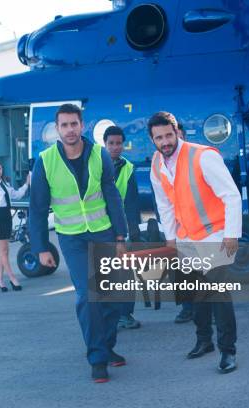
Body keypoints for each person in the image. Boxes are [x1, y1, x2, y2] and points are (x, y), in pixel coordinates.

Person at [29, 104, 129, 383]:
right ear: (57, 129)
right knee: (87, 296)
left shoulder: (100, 154)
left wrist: (120, 236)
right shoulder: (45, 161)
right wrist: (40, 247)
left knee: (110, 295)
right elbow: (37, 208)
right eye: (64, 125)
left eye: (74, 124)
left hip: (103, 232)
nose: (70, 130)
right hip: (71, 237)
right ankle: (97, 358)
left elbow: (112, 195)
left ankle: (107, 347)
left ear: (81, 125)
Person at [148, 111, 241, 374]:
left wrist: (231, 234)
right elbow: (164, 205)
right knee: (195, 296)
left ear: (177, 132)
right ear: (152, 140)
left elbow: (231, 196)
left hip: (215, 235)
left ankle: (228, 351)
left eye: (169, 135)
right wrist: (171, 240)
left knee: (219, 296)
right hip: (186, 238)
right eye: (159, 138)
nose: (165, 141)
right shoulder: (157, 164)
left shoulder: (203, 156)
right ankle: (204, 341)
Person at [103, 125, 142, 330]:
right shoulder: (96, 165)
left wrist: (133, 228)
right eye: (111, 143)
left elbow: (133, 201)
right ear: (105, 144)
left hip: (123, 228)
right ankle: (109, 316)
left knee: (126, 273)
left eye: (119, 143)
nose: (115, 147)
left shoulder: (128, 168)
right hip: (101, 226)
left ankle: (125, 314)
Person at [0, 161, 30, 292]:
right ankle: (12, 278)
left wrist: (26, 184)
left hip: (7, 217)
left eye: (0, 168)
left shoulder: (5, 184)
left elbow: (17, 195)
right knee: (3, 251)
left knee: (2, 251)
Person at [173, 122, 194, 324]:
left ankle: (211, 312)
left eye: (178, 136)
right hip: (179, 231)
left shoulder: (196, 160)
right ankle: (187, 309)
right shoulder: (162, 165)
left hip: (201, 230)